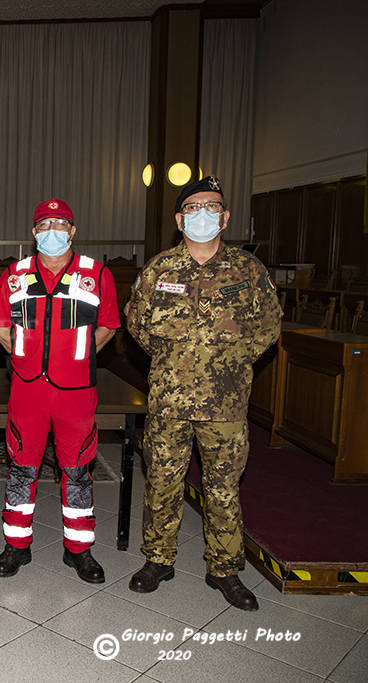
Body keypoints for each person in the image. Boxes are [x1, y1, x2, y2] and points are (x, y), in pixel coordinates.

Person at [125, 176, 281, 611]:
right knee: (161, 482)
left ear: (225, 216)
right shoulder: (159, 269)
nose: (202, 214)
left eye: (211, 206)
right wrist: (171, 361)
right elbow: (136, 322)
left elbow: (269, 325)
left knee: (223, 488)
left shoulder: (249, 271)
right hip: (169, 400)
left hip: (226, 402)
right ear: (179, 219)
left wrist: (231, 360)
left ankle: (225, 569)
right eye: (192, 208)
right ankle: (158, 560)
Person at [0, 199, 120, 583]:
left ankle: (79, 550)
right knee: (22, 469)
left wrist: (74, 358)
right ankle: (16, 546)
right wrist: (30, 359)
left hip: (76, 392)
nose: (52, 232)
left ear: (73, 231)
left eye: (60, 224)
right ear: (33, 233)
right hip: (27, 390)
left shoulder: (97, 275)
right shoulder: (14, 275)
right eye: (44, 225)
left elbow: (108, 326)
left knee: (77, 470)